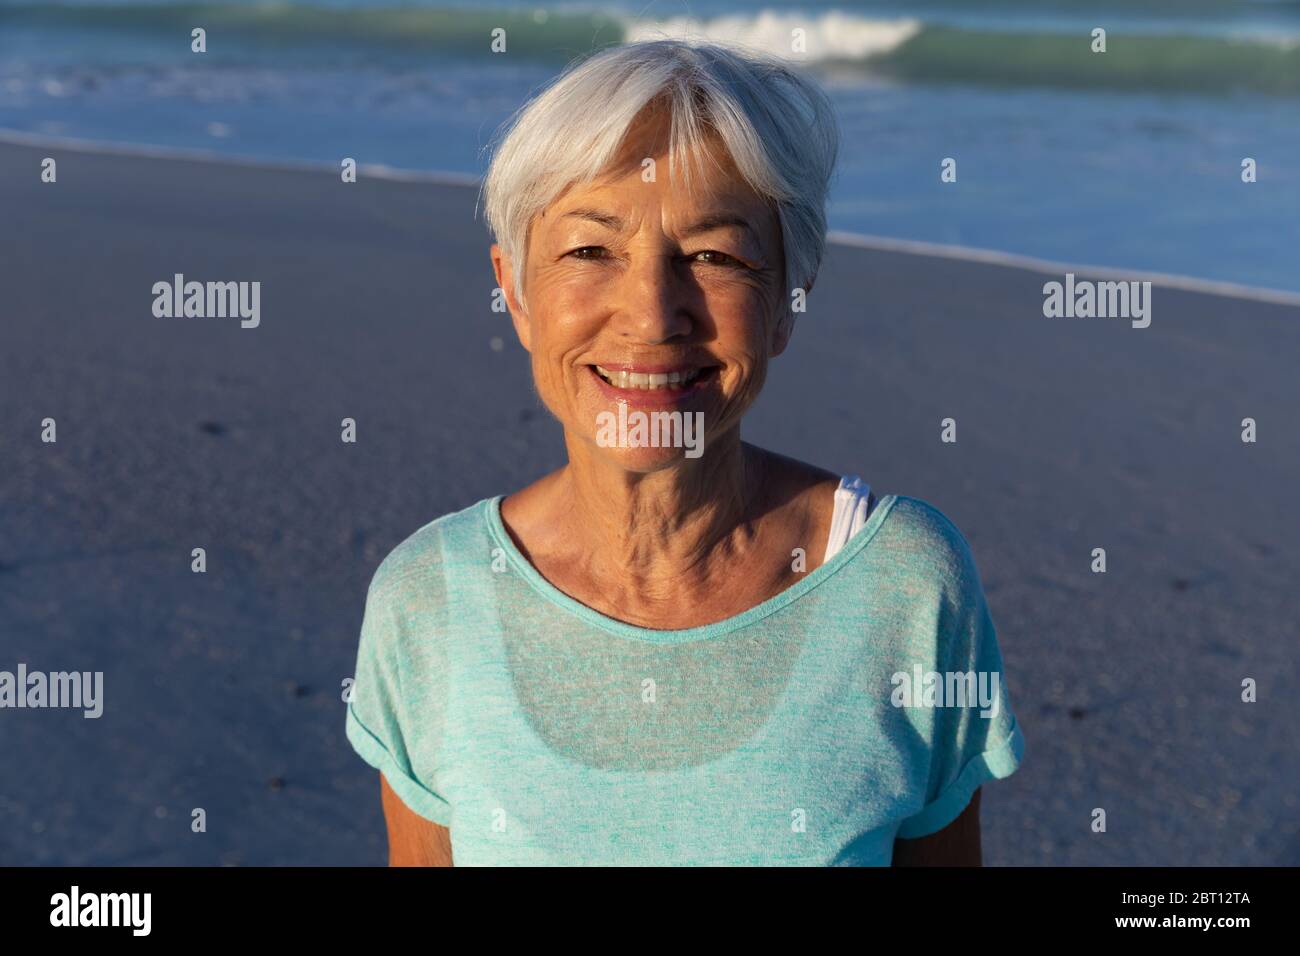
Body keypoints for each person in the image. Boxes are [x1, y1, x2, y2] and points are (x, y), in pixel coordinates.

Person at [345, 38, 1024, 866]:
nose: (652, 313)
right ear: (515, 292)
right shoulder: (429, 601)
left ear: (787, 299)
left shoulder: (907, 587)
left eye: (713, 256)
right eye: (591, 250)